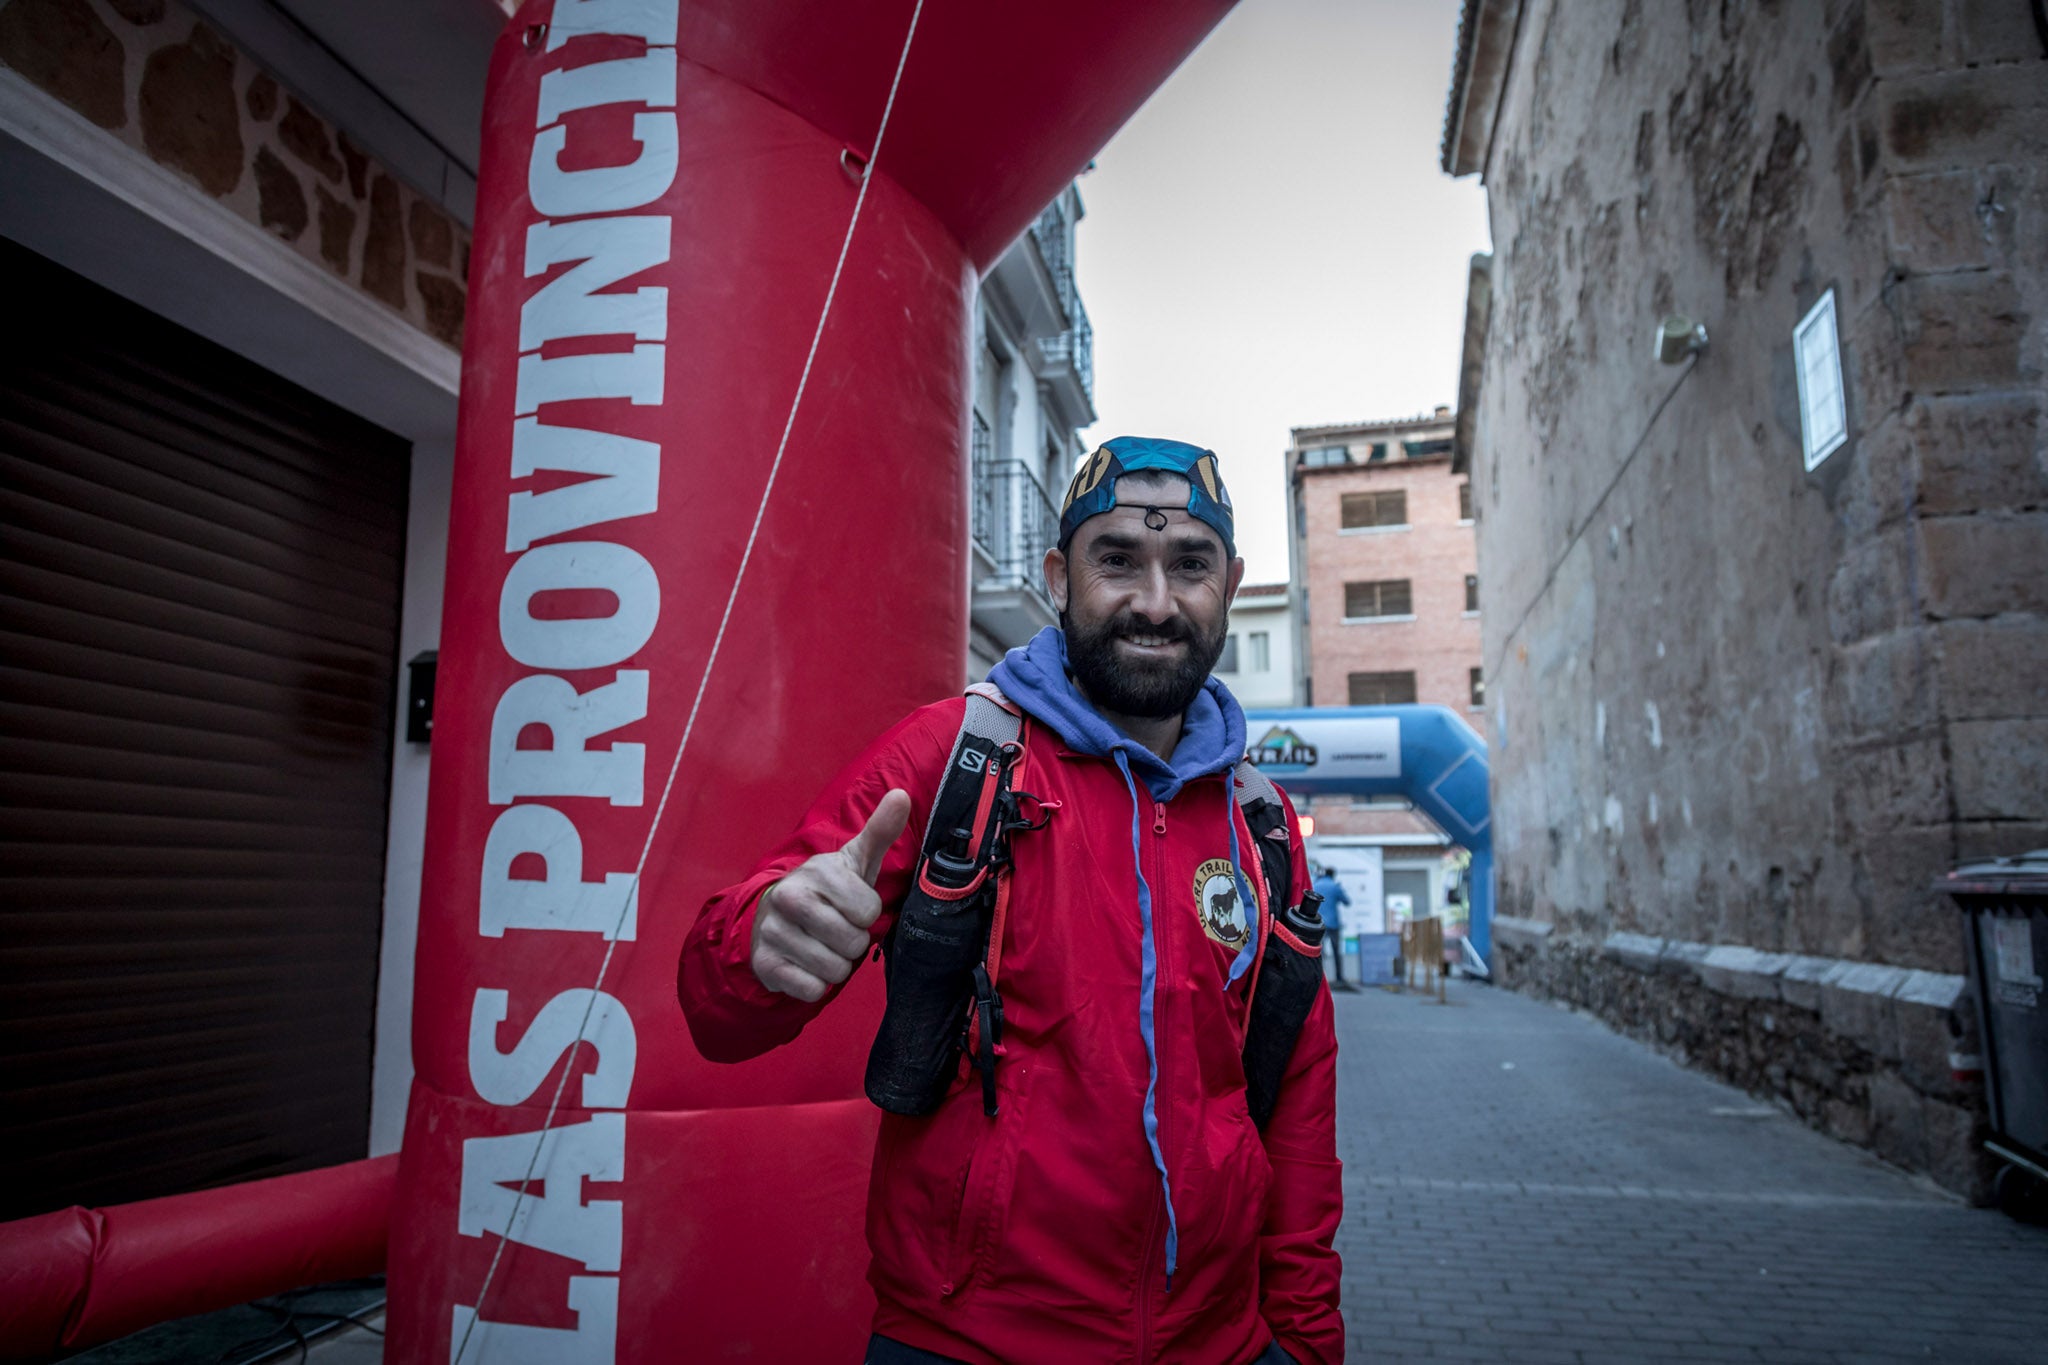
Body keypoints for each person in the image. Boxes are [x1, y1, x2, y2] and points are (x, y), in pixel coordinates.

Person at [678, 437, 1342, 1365]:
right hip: (967, 1343)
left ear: (1229, 585)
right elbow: (719, 1012)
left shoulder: (1261, 823)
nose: (1155, 601)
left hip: (1219, 1344)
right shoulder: (955, 754)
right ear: (1058, 577)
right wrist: (762, 942)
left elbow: (1300, 1115)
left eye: (1188, 565)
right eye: (1117, 560)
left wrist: (1307, 1343)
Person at [1310, 866, 1355, 992]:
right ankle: (1339, 977)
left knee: (1318, 953)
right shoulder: (1335, 886)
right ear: (1333, 875)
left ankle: (1317, 979)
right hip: (1333, 924)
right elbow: (1347, 902)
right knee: (1336, 952)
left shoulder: (1316, 885)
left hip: (1319, 924)